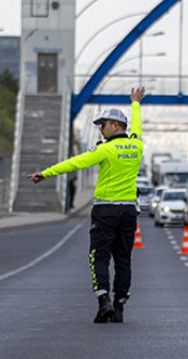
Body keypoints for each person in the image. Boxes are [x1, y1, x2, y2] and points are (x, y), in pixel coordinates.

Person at [29, 87, 145, 323]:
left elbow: (75, 163)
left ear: (114, 125)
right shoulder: (137, 145)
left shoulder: (105, 149)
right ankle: (120, 305)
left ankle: (104, 302)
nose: (101, 130)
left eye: (103, 125)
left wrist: (46, 173)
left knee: (99, 257)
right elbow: (138, 128)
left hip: (105, 211)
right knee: (123, 259)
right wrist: (135, 103)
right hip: (128, 211)